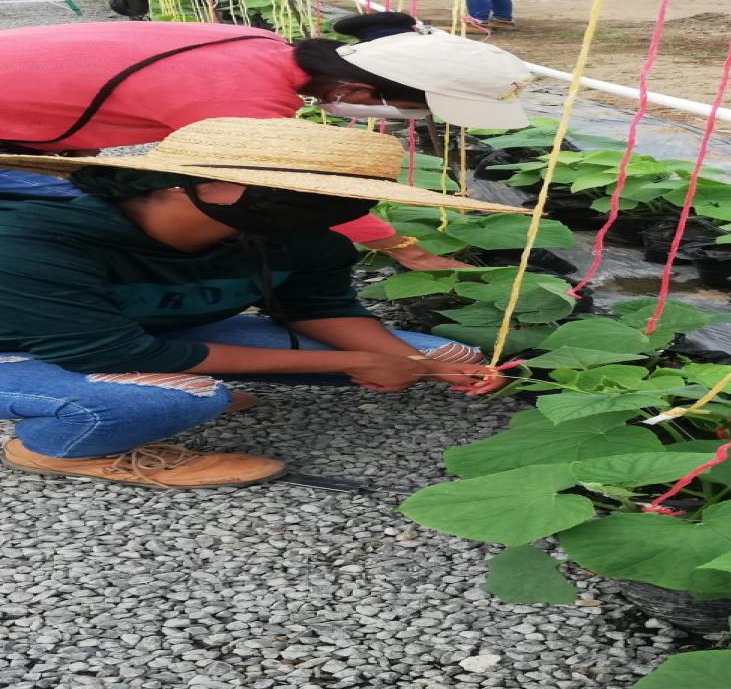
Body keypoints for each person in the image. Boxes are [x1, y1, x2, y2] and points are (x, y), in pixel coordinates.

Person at [0, 117, 520, 490]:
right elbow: (105, 349)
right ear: (192, 182)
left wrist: (412, 365)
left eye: (342, 196)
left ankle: (143, 387)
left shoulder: (295, 232)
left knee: (449, 357)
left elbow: (317, 308)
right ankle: (61, 447)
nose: (322, 208)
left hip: (143, 330)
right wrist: (357, 361)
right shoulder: (34, 236)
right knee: (181, 398)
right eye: (291, 191)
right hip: (27, 345)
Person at [0, 14, 531, 268]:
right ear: (354, 89)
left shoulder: (263, 46)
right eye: (400, 107)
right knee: (82, 223)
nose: (394, 117)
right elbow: (300, 189)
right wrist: (402, 248)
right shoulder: (243, 98)